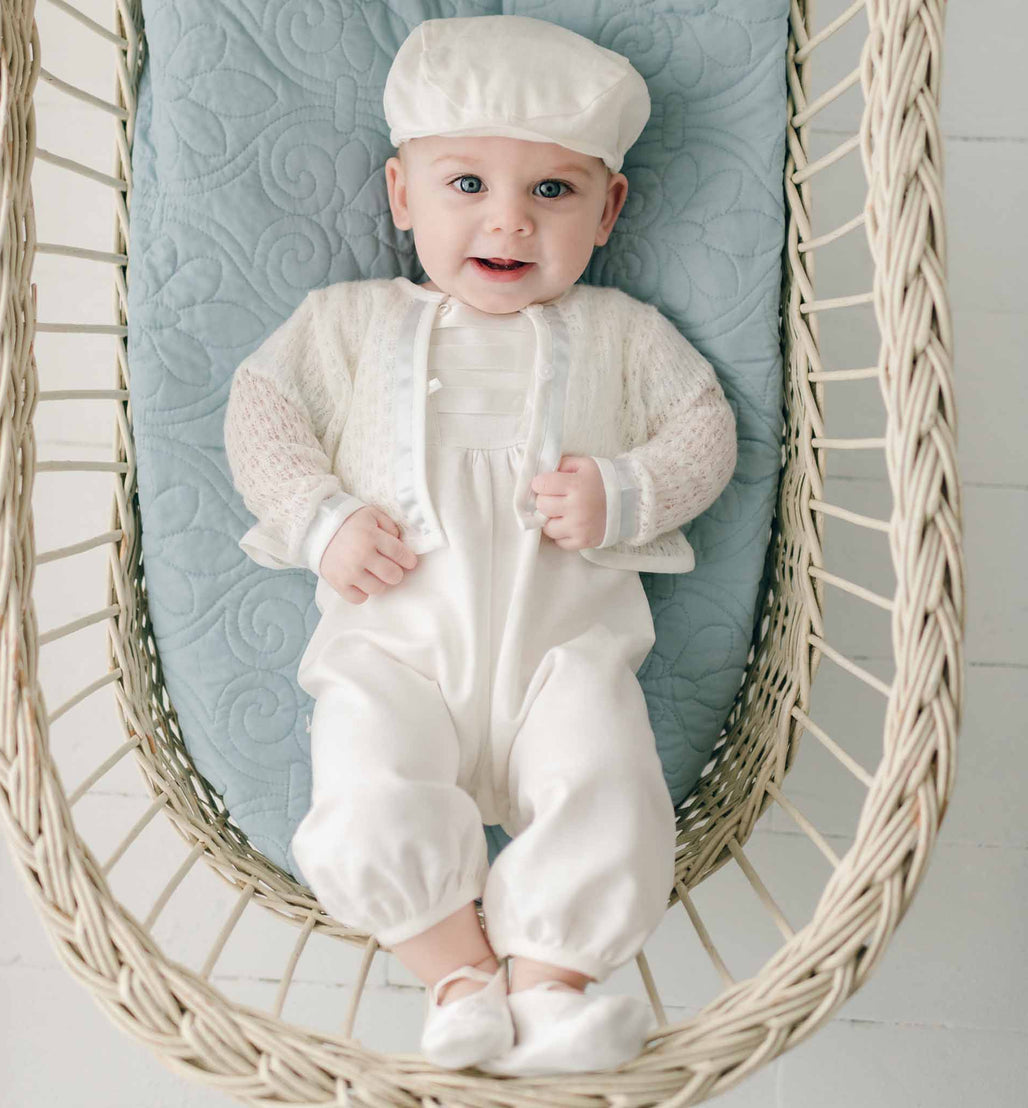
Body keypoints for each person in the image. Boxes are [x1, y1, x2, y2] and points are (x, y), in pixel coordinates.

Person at [223, 14, 738, 1076]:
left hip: (564, 652)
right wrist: (322, 518)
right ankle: (457, 975)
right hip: (399, 649)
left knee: (608, 773)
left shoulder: (620, 334)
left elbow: (704, 429)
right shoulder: (350, 325)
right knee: (363, 776)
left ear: (610, 208)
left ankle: (549, 985)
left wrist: (627, 491)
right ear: (402, 194)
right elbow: (262, 411)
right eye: (466, 186)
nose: (507, 222)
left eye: (552, 191)